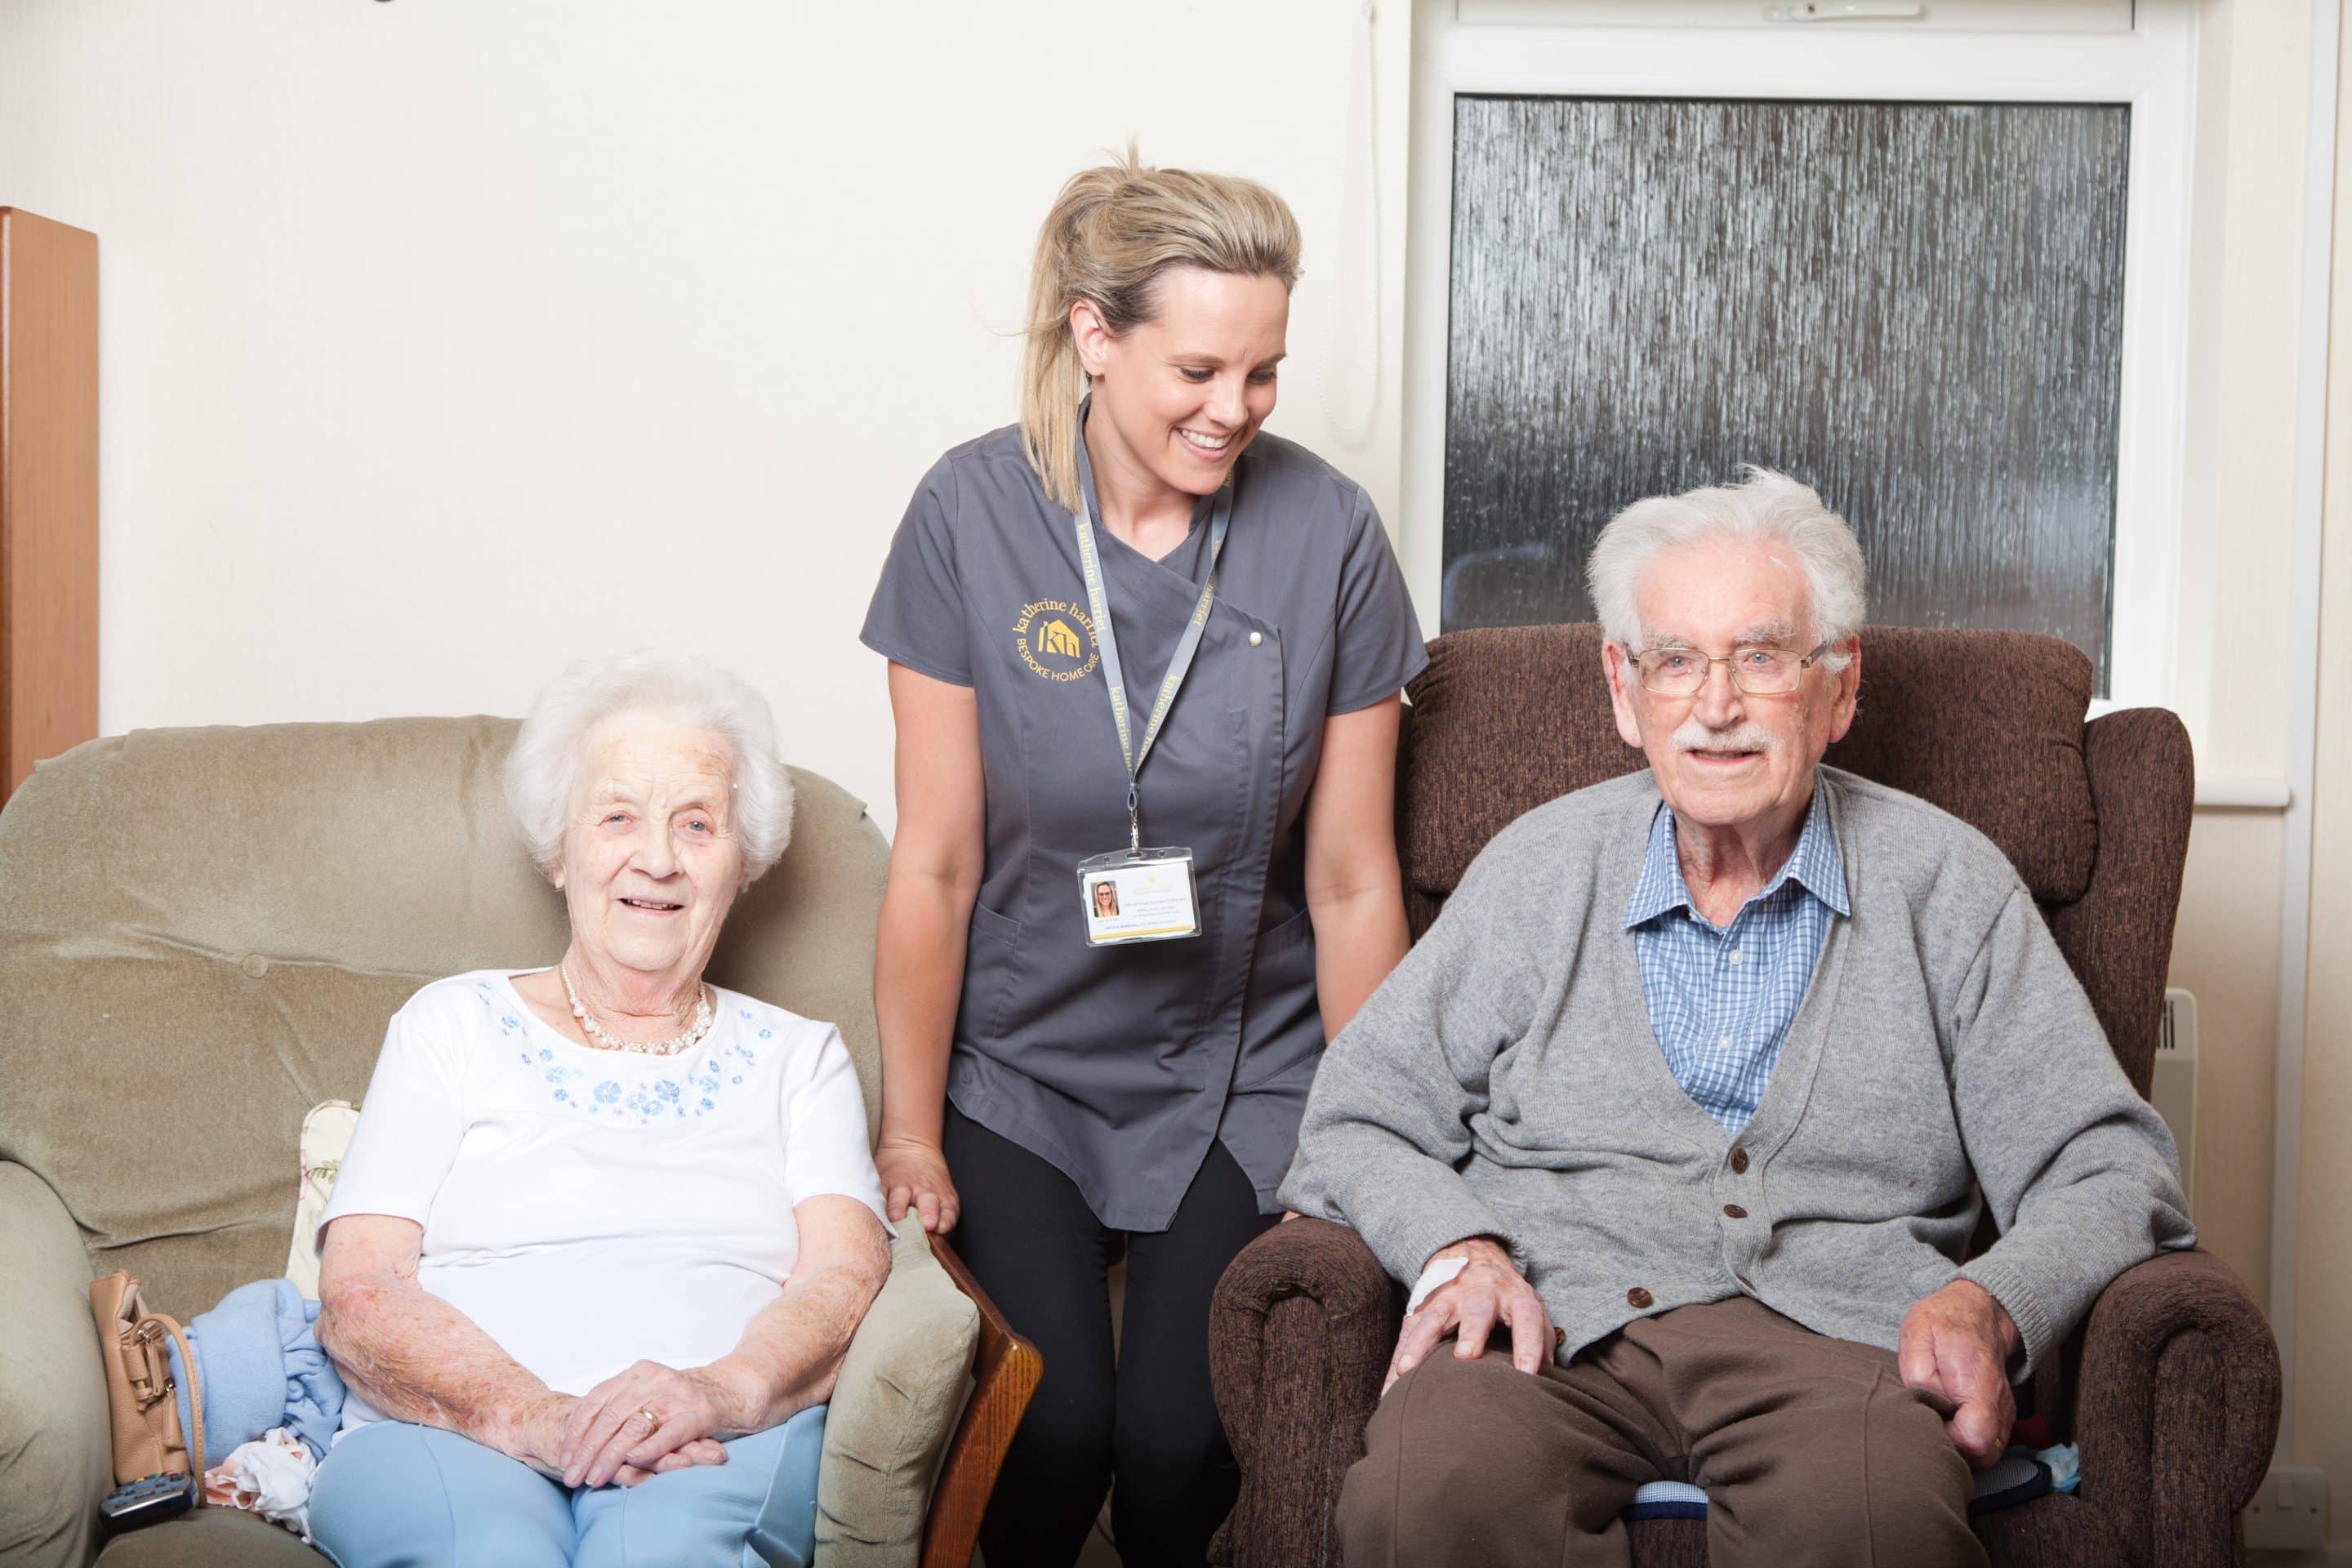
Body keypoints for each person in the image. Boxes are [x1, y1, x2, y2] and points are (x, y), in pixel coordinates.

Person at [1279, 470, 2195, 1568]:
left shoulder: (1949, 887)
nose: (1714, 707)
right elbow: (1358, 1114)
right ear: (1624, 690)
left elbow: (2111, 1168)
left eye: (1760, 658)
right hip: (1550, 1337)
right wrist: (1454, 1248)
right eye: (1675, 661)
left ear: (1838, 687)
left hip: (1842, 1347)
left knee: (1876, 1528)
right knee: (1420, 1503)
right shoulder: (1537, 871)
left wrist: (1987, 1302)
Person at [859, 149, 1428, 1566]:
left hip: (1246, 1066)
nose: (1235, 408)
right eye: (1199, 370)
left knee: (1179, 1451)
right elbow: (934, 865)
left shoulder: (1330, 535)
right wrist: (912, 1131)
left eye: (1265, 372)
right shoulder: (967, 516)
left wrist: (1373, 1142)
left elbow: (1353, 881)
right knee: (1049, 1428)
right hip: (1027, 1065)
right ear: (1094, 336)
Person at [306, 653, 893, 1568]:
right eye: (618, 816)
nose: (656, 859)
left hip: (713, 1444)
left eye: (696, 823)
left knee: (661, 1552)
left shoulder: (800, 1058)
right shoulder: (450, 1024)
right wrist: (534, 1415)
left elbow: (845, 1276)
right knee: (487, 1554)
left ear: (741, 863)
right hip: (453, 1434)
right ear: (559, 849)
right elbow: (361, 1291)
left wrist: (718, 1393)